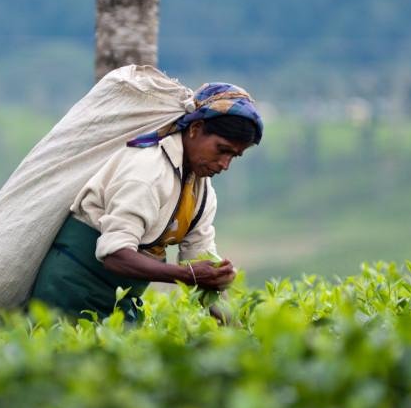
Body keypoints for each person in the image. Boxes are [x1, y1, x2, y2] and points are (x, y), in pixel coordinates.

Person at [29, 82, 263, 322]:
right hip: (70, 293)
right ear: (195, 128)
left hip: (122, 299)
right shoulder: (147, 170)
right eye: (221, 150)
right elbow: (115, 254)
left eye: (233, 156)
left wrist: (234, 324)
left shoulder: (200, 190)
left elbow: (199, 255)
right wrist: (187, 274)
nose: (224, 165)